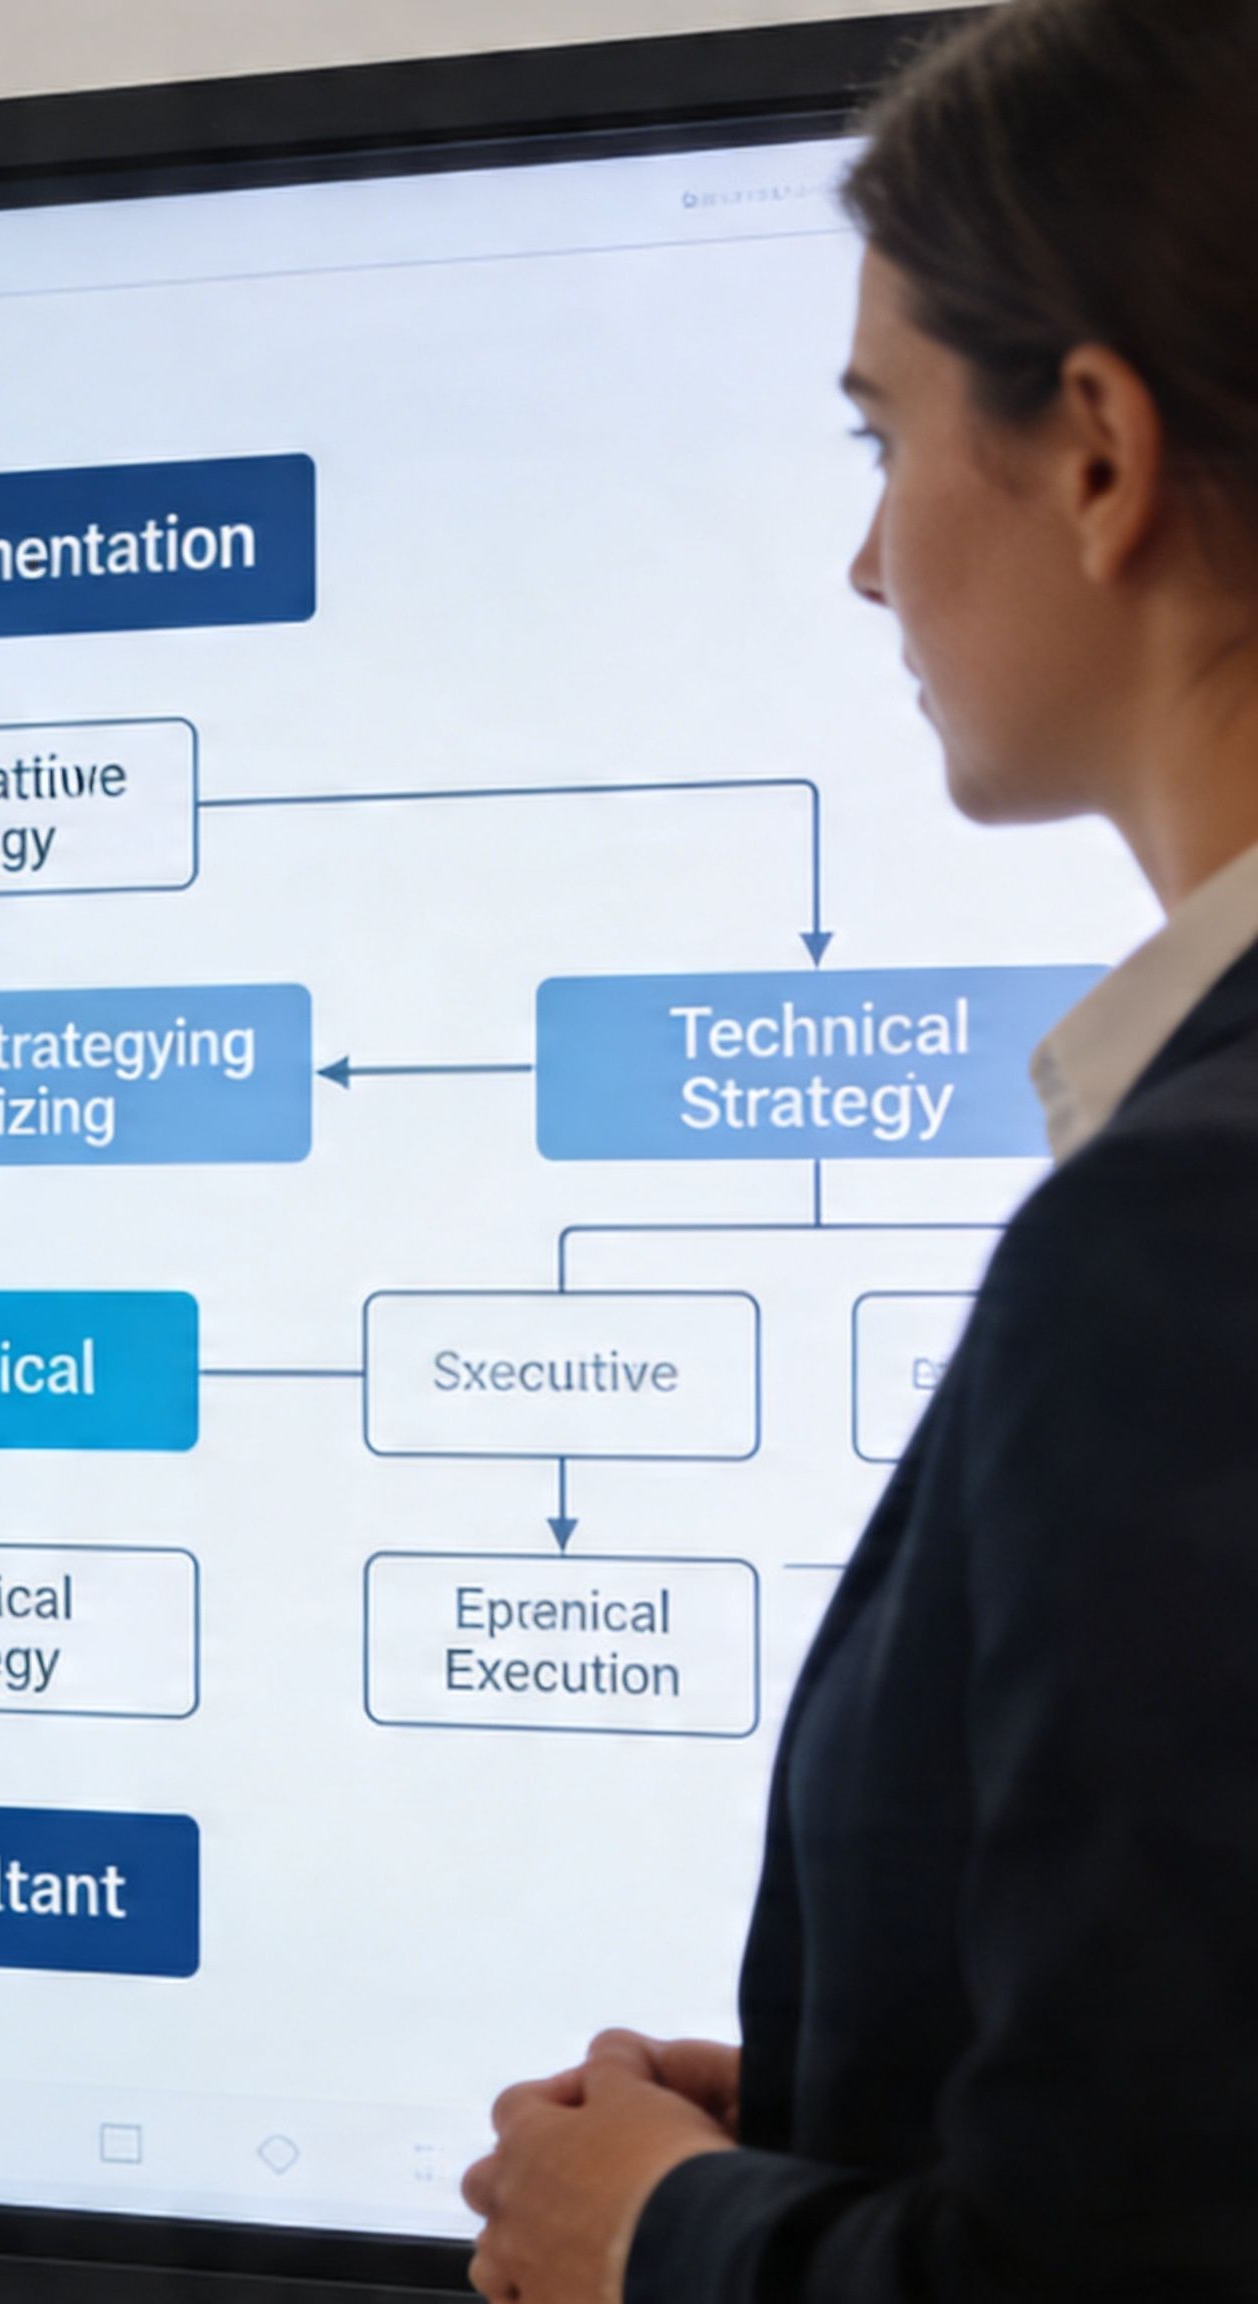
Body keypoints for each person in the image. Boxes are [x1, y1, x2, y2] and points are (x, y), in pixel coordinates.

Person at [462, 2, 1258, 2298]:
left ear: (1094, 452)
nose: (861, 565)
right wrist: (843, 2115)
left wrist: (667, 2243)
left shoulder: (1187, 1229)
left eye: (878, 435)